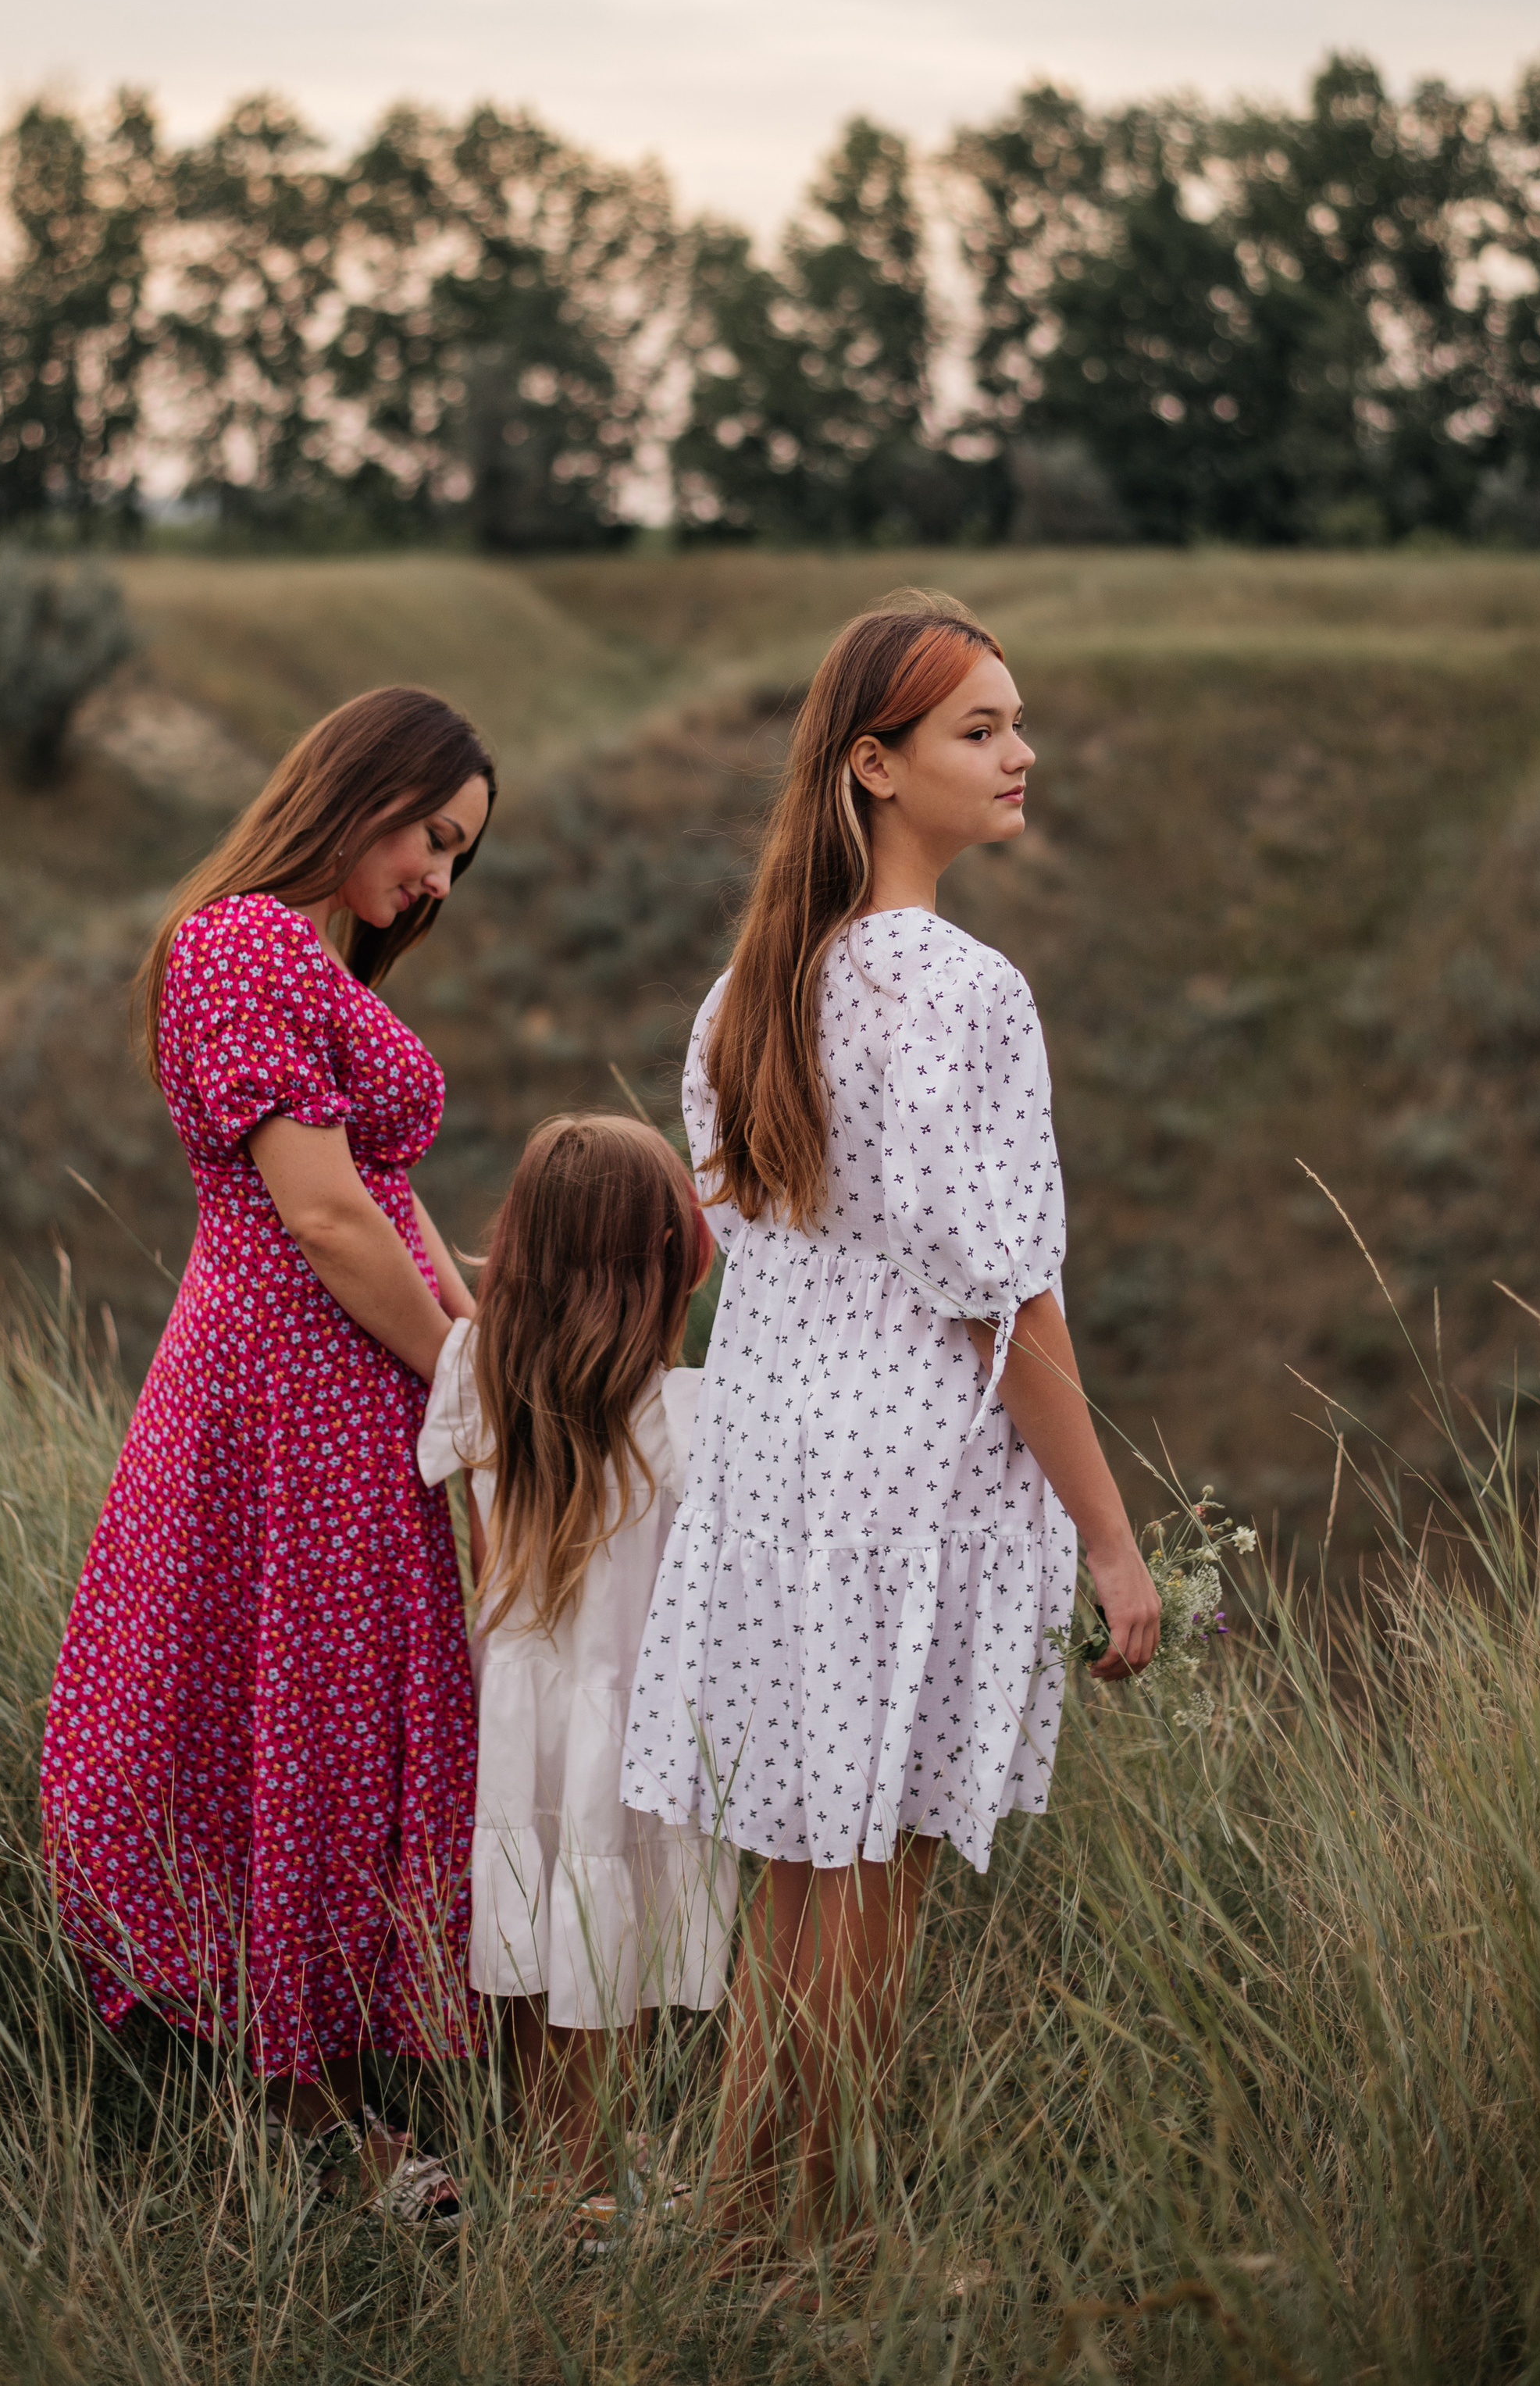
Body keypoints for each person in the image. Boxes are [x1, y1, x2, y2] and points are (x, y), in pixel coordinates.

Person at [621, 593, 1160, 2239]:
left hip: (775, 1466)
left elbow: (755, 1246)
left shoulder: (743, 996)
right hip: (912, 1481)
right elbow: (1003, 1299)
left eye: (1013, 723)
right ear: (874, 767)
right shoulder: (965, 990)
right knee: (868, 1904)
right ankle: (821, 2245)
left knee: (801, 1893)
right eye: (978, 730)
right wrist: (1112, 1539)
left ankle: (738, 2228)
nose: (1020, 754)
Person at [40, 683, 494, 2199]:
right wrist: (471, 1387)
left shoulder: (313, 965)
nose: (437, 879)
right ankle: (310, 2124)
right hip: (277, 1397)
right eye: (433, 837)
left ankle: (353, 2084)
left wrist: (498, 1315)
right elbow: (315, 1212)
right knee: (271, 1726)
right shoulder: (238, 938)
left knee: (340, 1728)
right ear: (361, 789)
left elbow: (382, 1188)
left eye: (457, 859)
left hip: (358, 1390)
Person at [418, 1114, 739, 2199]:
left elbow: (479, 1544)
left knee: (536, 1928)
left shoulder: (471, 1367)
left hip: (515, 1706)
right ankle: (586, 2178)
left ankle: (564, 2157)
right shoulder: (688, 1412)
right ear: (669, 1260)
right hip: (635, 1720)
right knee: (616, 1934)